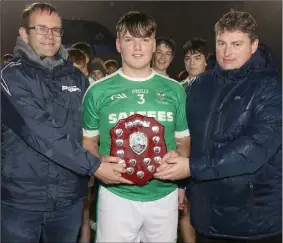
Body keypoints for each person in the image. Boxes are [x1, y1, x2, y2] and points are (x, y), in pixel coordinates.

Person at [1, 3, 132, 243]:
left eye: (56, 30)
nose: (50, 36)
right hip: (21, 202)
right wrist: (93, 166)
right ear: (24, 33)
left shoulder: (76, 77)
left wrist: (106, 155)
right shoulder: (10, 77)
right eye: (41, 28)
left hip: (68, 200)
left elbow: (91, 129)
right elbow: (39, 131)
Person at [155, 9, 282, 243]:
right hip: (206, 217)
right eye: (222, 43)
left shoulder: (271, 87)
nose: (227, 52)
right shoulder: (201, 84)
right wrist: (181, 177)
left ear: (253, 46)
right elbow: (188, 137)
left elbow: (256, 147)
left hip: (253, 220)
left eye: (236, 44)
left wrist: (192, 167)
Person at [82, 11, 190, 243]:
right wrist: (97, 164)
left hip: (164, 194)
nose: (138, 48)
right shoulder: (97, 91)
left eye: (144, 39)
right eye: (130, 39)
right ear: (119, 44)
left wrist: (180, 160)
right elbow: (88, 141)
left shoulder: (175, 90)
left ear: (153, 44)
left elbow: (182, 139)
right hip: (116, 196)